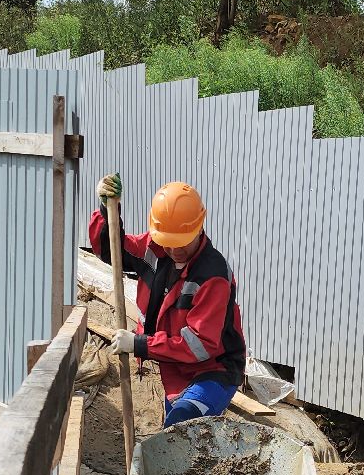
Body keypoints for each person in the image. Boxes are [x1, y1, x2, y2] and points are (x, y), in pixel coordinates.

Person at [89, 173, 247, 427]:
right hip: (174, 368)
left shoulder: (212, 276)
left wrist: (140, 344)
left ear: (198, 228)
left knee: (180, 427)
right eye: (168, 242)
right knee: (178, 442)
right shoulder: (155, 247)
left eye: (181, 243)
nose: (174, 251)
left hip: (214, 370)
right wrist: (108, 210)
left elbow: (200, 345)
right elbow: (112, 251)